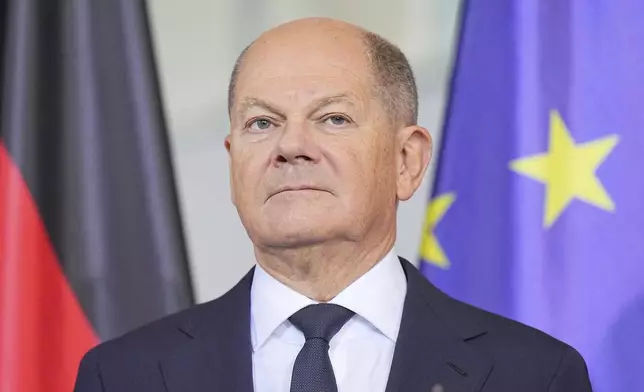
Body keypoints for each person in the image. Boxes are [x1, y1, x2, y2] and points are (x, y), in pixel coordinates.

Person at [73, 17, 593, 392]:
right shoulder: (123, 375)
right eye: (262, 122)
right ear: (233, 162)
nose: (290, 145)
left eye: (333, 118)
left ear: (406, 160)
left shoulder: (532, 374)